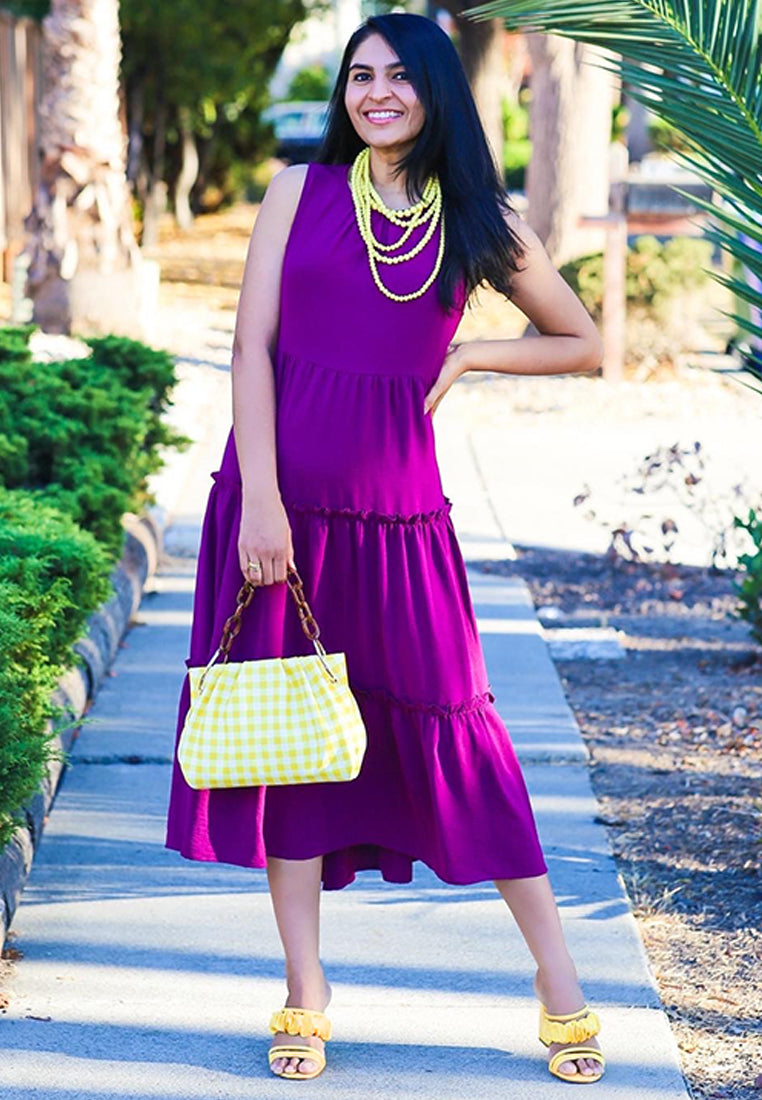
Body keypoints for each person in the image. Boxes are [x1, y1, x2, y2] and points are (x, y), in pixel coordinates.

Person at [164, 11, 606, 1086]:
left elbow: (583, 339)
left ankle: (559, 981)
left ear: (437, 90)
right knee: (290, 751)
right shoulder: (297, 193)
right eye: (359, 76)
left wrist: (475, 349)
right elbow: (250, 350)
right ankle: (305, 989)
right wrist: (260, 500)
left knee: (463, 735)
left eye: (398, 77)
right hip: (278, 513)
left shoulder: (477, 221)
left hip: (403, 526)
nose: (374, 93)